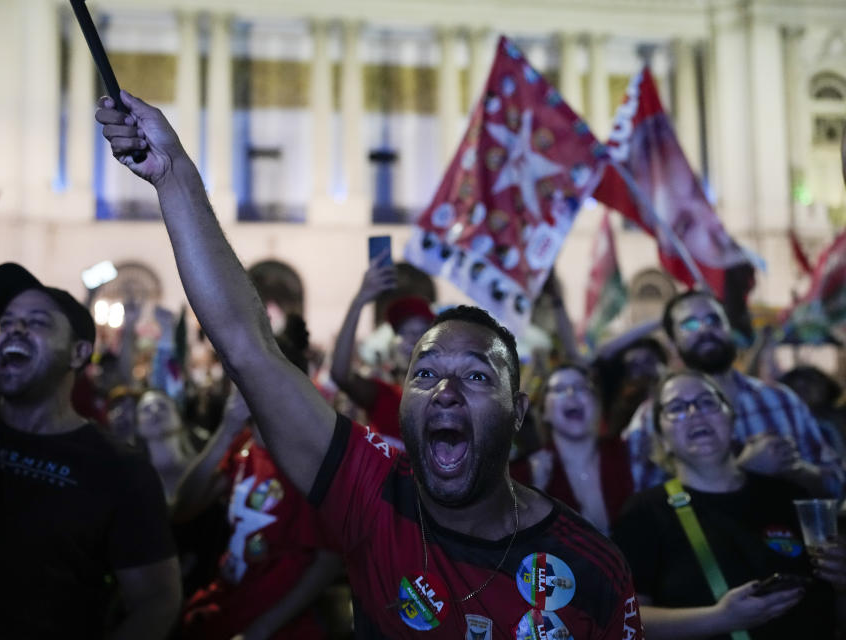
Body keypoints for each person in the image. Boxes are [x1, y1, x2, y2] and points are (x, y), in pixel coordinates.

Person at [96, 90, 644, 638]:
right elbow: (247, 347)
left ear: (519, 411)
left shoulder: (593, 568)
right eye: (424, 373)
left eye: (477, 375)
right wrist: (175, 178)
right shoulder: (370, 493)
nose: (445, 391)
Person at [0, 262, 181, 638]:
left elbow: (157, 600)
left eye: (38, 322)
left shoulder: (119, 470)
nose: (15, 329)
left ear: (78, 353)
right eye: (6, 323)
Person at [612, 370, 846, 638]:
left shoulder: (787, 495)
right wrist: (719, 618)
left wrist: (842, 584)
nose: (694, 412)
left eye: (707, 402)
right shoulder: (644, 512)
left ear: (731, 419)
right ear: (662, 439)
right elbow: (625, 621)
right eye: (676, 408)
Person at [173, 323, 343, 640]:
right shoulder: (242, 445)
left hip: (278, 622)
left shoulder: (309, 458)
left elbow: (328, 561)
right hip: (226, 603)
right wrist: (225, 430)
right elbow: (184, 508)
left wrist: (260, 630)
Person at [622, 290, 844, 497]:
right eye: (689, 325)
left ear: (729, 329)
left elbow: (835, 484)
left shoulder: (781, 400)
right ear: (672, 343)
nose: (704, 330)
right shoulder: (654, 417)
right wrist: (742, 470)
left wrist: (794, 469)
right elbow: (649, 506)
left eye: (713, 320)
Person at [331, 258, 435, 449]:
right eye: (405, 332)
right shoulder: (384, 395)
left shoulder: (447, 397)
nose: (412, 340)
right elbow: (340, 374)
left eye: (420, 332)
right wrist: (359, 300)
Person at [520, 365, 634, 534]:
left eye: (581, 387)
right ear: (544, 412)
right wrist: (537, 490)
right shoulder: (524, 474)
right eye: (559, 389)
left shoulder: (629, 453)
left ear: (597, 404)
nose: (571, 394)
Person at [137, 388, 194, 499]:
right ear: (138, 427)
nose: (155, 410)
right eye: (146, 409)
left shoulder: (200, 467)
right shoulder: (137, 481)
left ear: (178, 418)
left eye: (162, 406)